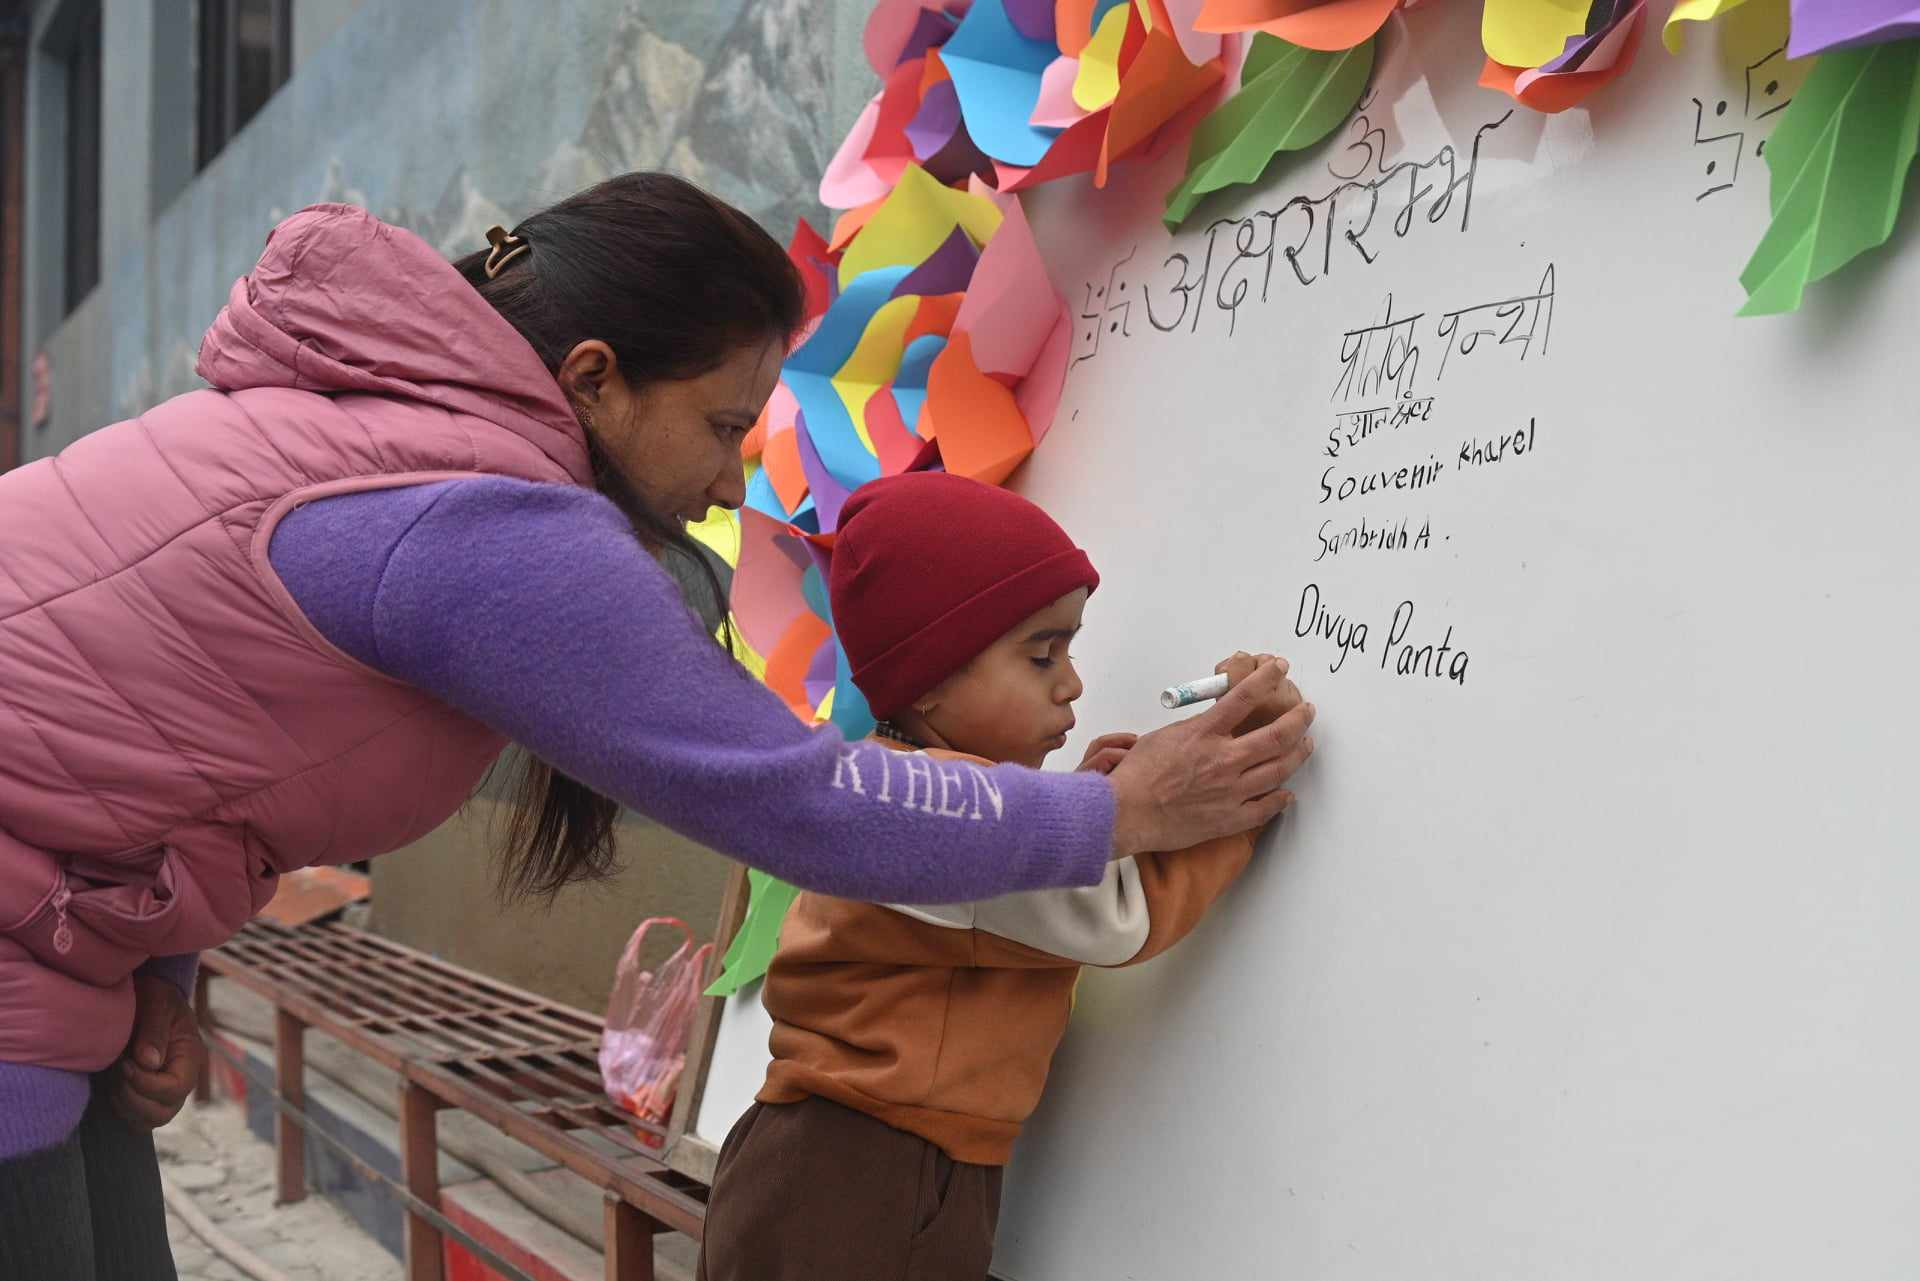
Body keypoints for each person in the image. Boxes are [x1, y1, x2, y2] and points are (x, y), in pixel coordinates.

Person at [0, 174, 1312, 1279]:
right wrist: (1129, 810)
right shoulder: (476, 516)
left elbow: (135, 740)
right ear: (595, 379)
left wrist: (156, 976)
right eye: (726, 423)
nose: (735, 475)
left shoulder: (373, 430)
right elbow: (804, 800)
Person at [697, 472, 1311, 1281]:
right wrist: (1234, 796)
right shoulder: (951, 826)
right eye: (1041, 653)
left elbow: (1037, 884)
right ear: (932, 680)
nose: (1074, 681)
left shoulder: (903, 783)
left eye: (1071, 648)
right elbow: (1116, 914)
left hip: (836, 1162)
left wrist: (1101, 802)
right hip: (865, 1176)